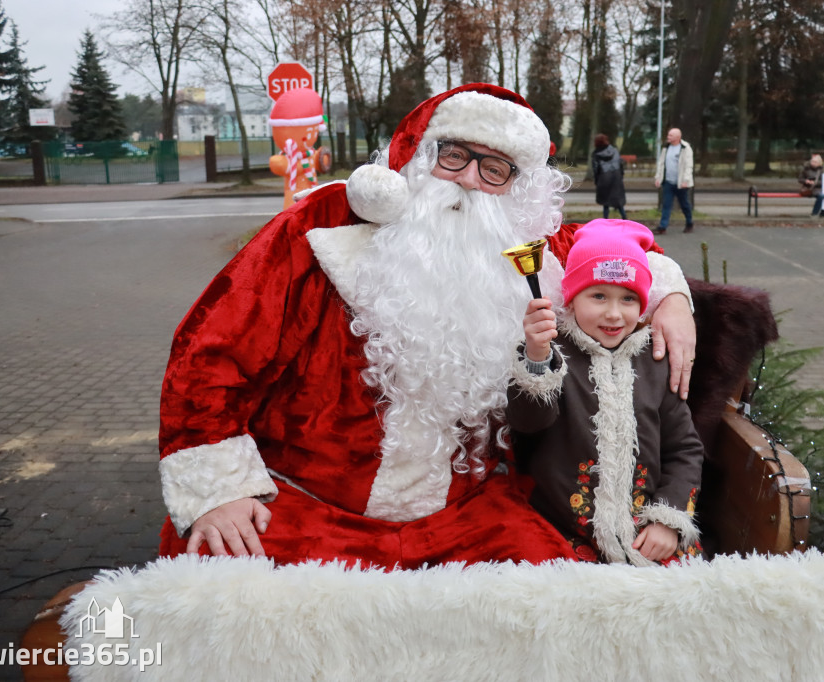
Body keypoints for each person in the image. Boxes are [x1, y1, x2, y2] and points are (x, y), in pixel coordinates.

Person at [157, 83, 698, 569]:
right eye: (454, 155)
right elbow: (211, 350)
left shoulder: (533, 251)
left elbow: (620, 250)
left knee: (559, 602)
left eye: (494, 169)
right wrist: (221, 487)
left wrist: (670, 295)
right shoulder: (323, 229)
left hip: (469, 515)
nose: (468, 180)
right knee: (219, 587)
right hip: (310, 501)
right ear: (416, 159)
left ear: (516, 187)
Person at [506, 219, 704, 565]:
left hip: (644, 532)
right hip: (563, 532)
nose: (613, 314)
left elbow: (684, 448)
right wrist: (537, 357)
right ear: (572, 297)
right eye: (598, 296)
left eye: (628, 299)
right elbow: (528, 425)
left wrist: (667, 520)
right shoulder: (557, 353)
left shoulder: (655, 360)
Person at [653, 127, 694, 234]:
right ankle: (663, 227)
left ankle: (689, 223)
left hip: (681, 183)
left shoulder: (685, 148)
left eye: (670, 135)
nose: (668, 137)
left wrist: (686, 180)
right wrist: (658, 178)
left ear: (677, 137)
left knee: (684, 204)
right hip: (668, 182)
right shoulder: (666, 148)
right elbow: (661, 164)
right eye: (668, 135)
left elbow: (688, 166)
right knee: (666, 205)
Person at [591, 134, 627, 219]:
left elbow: (595, 169)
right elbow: (620, 163)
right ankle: (625, 218)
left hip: (604, 178)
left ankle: (605, 220)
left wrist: (596, 181)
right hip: (616, 176)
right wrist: (621, 176)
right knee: (618, 201)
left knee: (605, 202)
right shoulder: (614, 150)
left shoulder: (596, 154)